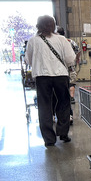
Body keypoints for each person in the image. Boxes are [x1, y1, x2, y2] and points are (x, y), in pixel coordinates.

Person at [24, 16, 76, 147]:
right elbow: (70, 59)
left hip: (42, 77)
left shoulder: (33, 41)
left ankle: (49, 139)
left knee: (44, 106)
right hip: (60, 76)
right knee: (64, 103)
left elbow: (28, 60)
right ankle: (63, 133)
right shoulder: (62, 40)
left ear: (38, 25)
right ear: (54, 25)